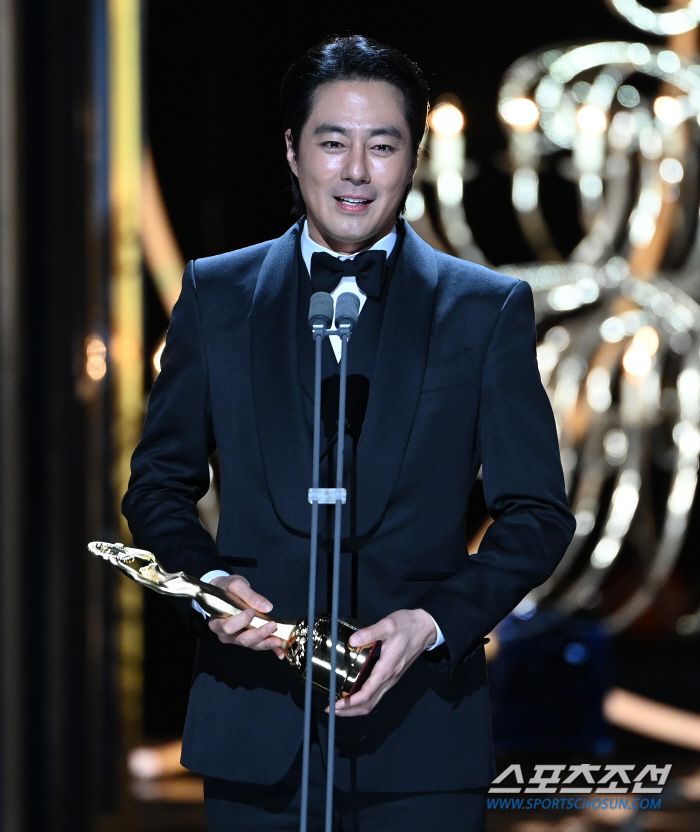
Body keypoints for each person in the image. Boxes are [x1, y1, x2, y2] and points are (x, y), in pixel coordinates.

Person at [122, 35, 575, 832]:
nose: (357, 171)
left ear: (415, 157)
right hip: (253, 724)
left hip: (422, 737)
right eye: (333, 142)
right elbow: (158, 485)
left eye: (383, 145)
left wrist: (432, 624)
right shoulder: (217, 294)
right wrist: (208, 585)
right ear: (293, 151)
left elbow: (537, 512)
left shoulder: (483, 309)